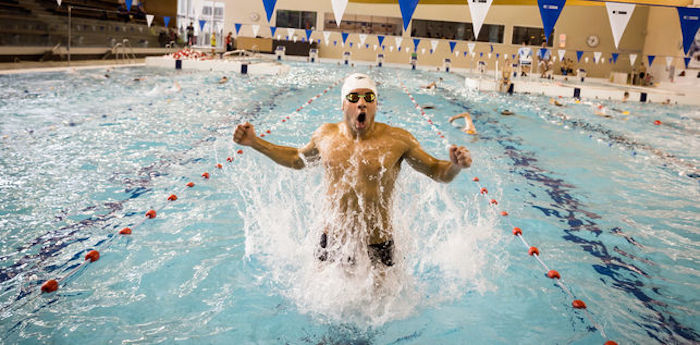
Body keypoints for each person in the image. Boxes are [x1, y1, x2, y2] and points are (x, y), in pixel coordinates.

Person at [232, 73, 472, 268]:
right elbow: (297, 159)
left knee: (379, 321)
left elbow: (436, 170)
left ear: (376, 104)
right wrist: (255, 142)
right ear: (343, 104)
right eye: (354, 97)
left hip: (378, 244)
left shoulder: (397, 139)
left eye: (369, 97)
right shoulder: (325, 135)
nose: (362, 103)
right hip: (334, 242)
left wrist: (455, 166)